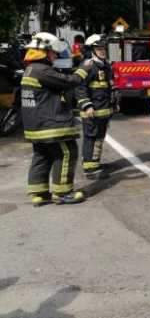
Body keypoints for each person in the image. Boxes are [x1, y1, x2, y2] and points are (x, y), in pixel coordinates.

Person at [21, 33, 85, 205]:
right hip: (51, 124)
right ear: (44, 51)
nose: (55, 55)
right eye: (53, 52)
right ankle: (62, 193)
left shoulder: (30, 69)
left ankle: (39, 193)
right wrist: (83, 69)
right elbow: (69, 81)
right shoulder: (42, 70)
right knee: (67, 153)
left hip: (35, 125)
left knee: (42, 155)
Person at [74, 34, 117, 179]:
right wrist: (87, 106)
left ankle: (95, 163)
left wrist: (114, 104)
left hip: (103, 111)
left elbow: (109, 87)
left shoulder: (106, 65)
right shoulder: (88, 65)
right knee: (91, 137)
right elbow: (80, 87)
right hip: (92, 111)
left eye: (104, 48)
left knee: (99, 137)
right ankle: (90, 169)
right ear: (92, 50)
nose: (102, 51)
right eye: (99, 49)